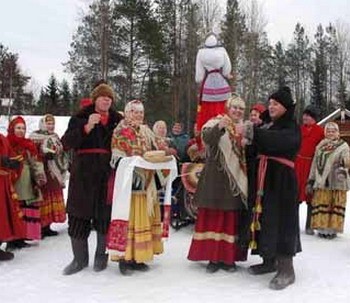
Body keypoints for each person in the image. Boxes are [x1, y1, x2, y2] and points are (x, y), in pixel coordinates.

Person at [61, 83, 123, 275]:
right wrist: (87, 126)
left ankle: (100, 257)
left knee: (104, 216)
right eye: (103, 96)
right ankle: (79, 259)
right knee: (79, 215)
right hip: (83, 174)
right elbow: (66, 142)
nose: (106, 99)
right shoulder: (80, 117)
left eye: (109, 97)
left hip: (107, 172)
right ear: (95, 99)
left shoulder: (117, 120)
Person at [243, 86, 301, 290]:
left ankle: (286, 269)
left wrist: (253, 132)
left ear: (285, 107)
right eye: (270, 103)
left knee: (283, 221)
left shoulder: (291, 127)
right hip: (265, 179)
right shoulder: (268, 126)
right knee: (265, 219)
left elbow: (278, 142)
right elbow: (257, 148)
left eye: (276, 103)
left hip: (282, 181)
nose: (271, 106)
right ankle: (269, 261)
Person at [108, 100, 171, 275]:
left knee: (142, 219)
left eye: (141, 113)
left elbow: (157, 146)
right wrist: (134, 162)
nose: (138, 115)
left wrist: (165, 151)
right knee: (129, 219)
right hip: (129, 184)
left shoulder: (145, 131)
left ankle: (137, 257)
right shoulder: (120, 131)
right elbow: (116, 158)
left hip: (145, 183)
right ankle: (124, 258)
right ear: (127, 113)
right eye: (135, 112)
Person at [187, 95, 248, 273]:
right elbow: (207, 139)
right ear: (228, 108)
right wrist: (220, 127)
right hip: (215, 179)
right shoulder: (215, 121)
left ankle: (228, 259)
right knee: (213, 218)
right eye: (234, 108)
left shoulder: (243, 128)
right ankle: (213, 258)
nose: (237, 111)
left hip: (234, 181)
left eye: (240, 109)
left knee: (229, 219)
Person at [7, 116, 47, 249]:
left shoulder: (28, 144)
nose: (21, 131)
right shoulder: (6, 143)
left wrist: (39, 176)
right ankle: (12, 240)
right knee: (13, 209)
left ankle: (22, 237)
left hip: (27, 181)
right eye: (18, 128)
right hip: (12, 181)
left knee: (25, 209)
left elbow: (36, 161)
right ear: (12, 128)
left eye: (23, 128)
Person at [306, 122, 350, 239]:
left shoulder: (343, 145)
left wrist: (343, 162)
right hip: (322, 181)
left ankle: (332, 230)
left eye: (333, 131)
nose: (330, 133)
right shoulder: (320, 146)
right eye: (328, 131)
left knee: (334, 204)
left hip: (337, 179)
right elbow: (315, 163)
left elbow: (347, 160)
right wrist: (311, 180)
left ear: (337, 133)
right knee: (323, 203)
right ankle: (322, 228)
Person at [29, 114, 69, 237]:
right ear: (42, 123)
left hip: (54, 171)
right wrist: (43, 155)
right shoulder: (34, 137)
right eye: (48, 123)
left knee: (53, 195)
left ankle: (48, 225)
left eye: (52, 124)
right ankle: (40, 226)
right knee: (43, 197)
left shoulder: (55, 136)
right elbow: (31, 153)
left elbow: (61, 151)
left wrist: (60, 157)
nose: (51, 126)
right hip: (42, 170)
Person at [295, 105, 324, 235]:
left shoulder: (320, 131)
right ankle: (293, 224)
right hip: (297, 164)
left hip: (311, 166)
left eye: (308, 115)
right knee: (295, 196)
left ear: (314, 118)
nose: (305, 117)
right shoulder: (299, 129)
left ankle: (309, 225)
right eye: (304, 115)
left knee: (310, 195)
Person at [195, 32, 232, 131]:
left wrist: (199, 79)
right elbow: (227, 69)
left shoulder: (201, 53)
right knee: (225, 108)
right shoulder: (222, 51)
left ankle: (204, 133)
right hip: (221, 84)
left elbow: (199, 75)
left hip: (207, 84)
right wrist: (226, 74)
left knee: (206, 111)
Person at [0, 134, 26, 260]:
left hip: (3, 183)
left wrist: (15, 162)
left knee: (3, 215)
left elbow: (13, 156)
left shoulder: (3, 139)